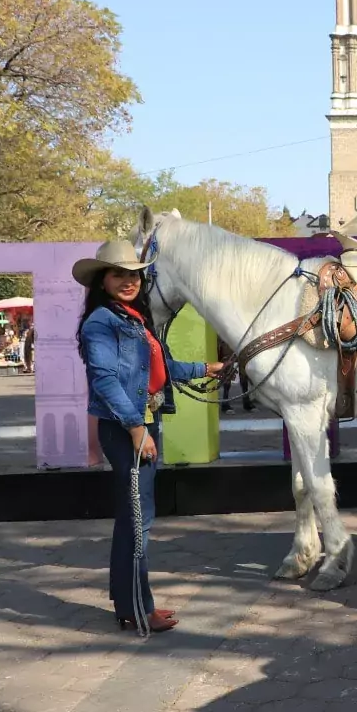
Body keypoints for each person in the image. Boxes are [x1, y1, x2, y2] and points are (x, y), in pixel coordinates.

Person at [74, 239, 222, 634]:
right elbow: (104, 380)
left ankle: (130, 603)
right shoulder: (102, 322)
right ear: (101, 280)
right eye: (118, 274)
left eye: (134, 274)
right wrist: (138, 429)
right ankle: (137, 610)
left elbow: (159, 368)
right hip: (127, 428)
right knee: (137, 521)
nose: (128, 281)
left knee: (134, 519)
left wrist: (207, 367)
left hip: (140, 424)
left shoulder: (131, 318)